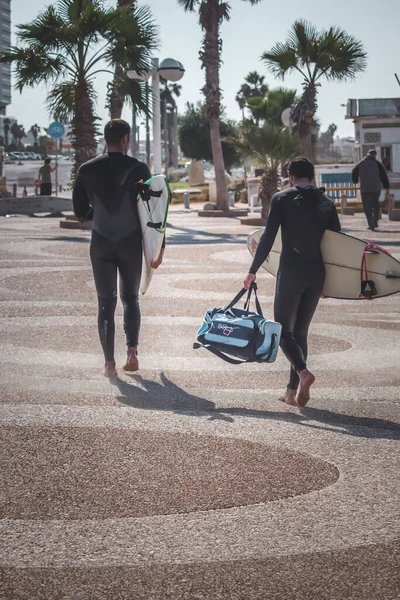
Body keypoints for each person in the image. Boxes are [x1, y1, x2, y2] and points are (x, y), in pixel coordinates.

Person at [243, 157, 341, 407]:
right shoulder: (326, 203)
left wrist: (253, 270)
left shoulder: (281, 199)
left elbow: (267, 239)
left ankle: (303, 372)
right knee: (301, 333)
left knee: (283, 331)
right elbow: (337, 246)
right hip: (316, 274)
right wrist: (332, 283)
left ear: (289, 175)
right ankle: (291, 391)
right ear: (313, 175)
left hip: (291, 273)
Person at [73, 119, 164, 378]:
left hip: (101, 242)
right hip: (130, 242)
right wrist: (159, 249)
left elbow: (80, 211)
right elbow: (156, 212)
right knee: (130, 299)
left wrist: (100, 212)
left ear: (105, 138)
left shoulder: (87, 169)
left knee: (105, 302)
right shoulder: (139, 168)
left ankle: (109, 364)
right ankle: (132, 352)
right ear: (126, 139)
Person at [352, 149, 390, 231]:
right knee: (375, 205)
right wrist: (386, 186)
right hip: (376, 189)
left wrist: (355, 180)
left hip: (365, 189)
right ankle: (375, 221)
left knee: (367, 207)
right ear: (374, 155)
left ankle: (371, 224)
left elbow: (354, 171)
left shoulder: (361, 163)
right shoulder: (377, 163)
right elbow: (383, 175)